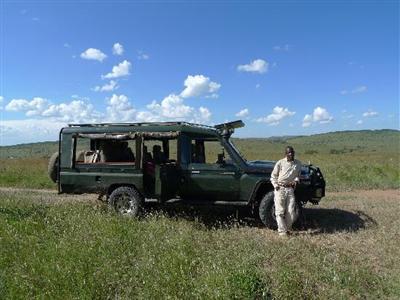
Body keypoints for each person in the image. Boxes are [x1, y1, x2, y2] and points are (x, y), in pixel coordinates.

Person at [270, 146, 302, 236]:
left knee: (291, 211)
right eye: (289, 152)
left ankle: (288, 228)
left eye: (292, 152)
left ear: (294, 153)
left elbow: (298, 175)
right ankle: (282, 232)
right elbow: (273, 176)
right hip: (280, 188)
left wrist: (296, 180)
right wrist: (276, 185)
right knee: (279, 211)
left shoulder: (298, 164)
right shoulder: (280, 163)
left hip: (290, 189)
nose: (291, 154)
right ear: (285, 154)